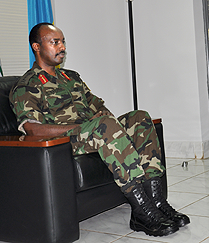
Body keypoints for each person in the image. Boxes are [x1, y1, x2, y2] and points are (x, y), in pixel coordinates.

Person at [9, 22, 190, 237]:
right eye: (55, 42)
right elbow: (32, 130)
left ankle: (157, 202)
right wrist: (82, 126)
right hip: (64, 142)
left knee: (139, 118)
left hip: (94, 133)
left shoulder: (71, 78)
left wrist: (113, 126)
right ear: (36, 47)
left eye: (63, 42)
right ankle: (142, 211)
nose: (62, 47)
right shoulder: (27, 85)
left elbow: (99, 108)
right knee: (104, 126)